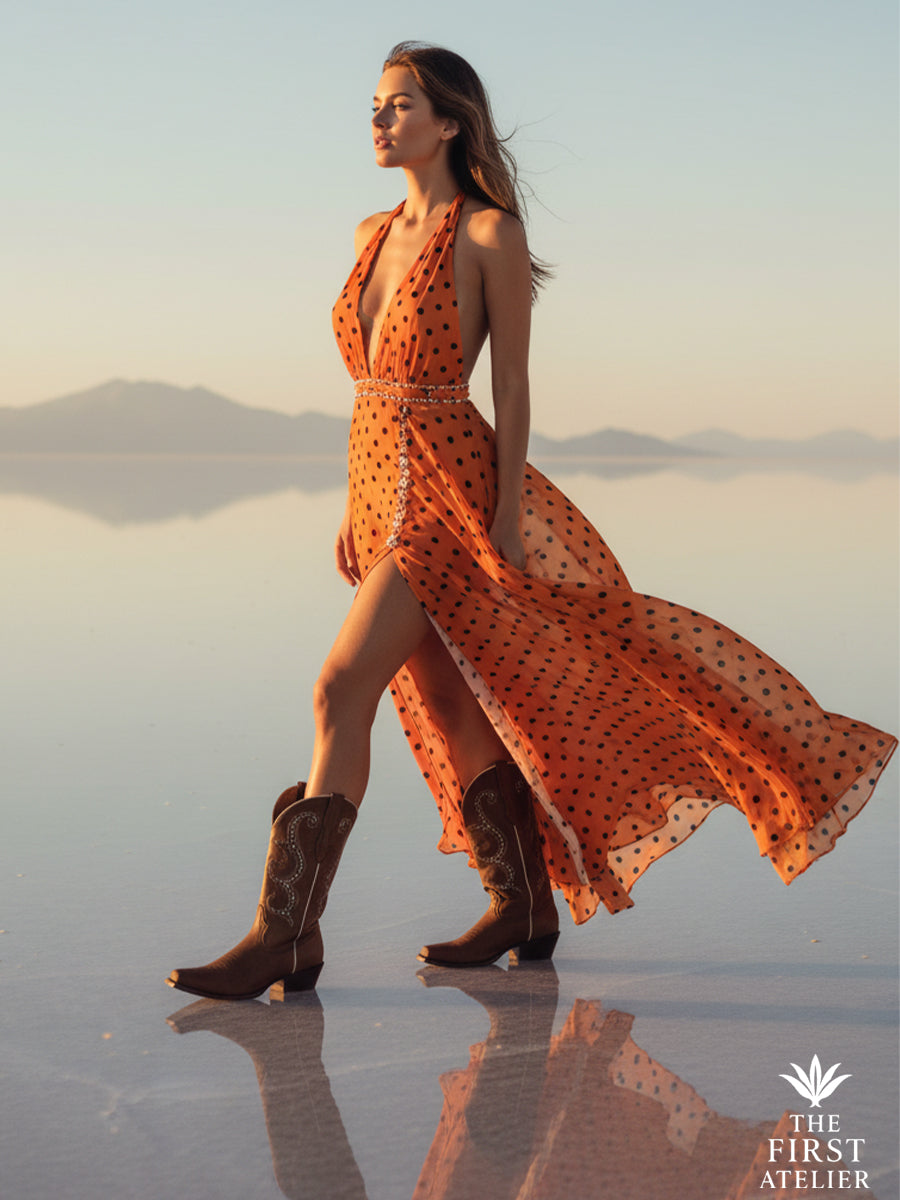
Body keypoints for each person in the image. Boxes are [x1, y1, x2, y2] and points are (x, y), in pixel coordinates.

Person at [166, 42, 896, 1001]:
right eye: (375, 106)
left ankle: (286, 936)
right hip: (381, 486)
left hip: (450, 496)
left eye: (398, 106)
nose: (379, 121)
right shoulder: (368, 234)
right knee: (449, 703)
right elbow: (370, 391)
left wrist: (503, 515)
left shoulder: (486, 236)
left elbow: (509, 386)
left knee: (340, 688)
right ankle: (523, 906)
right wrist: (352, 507)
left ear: (450, 121)